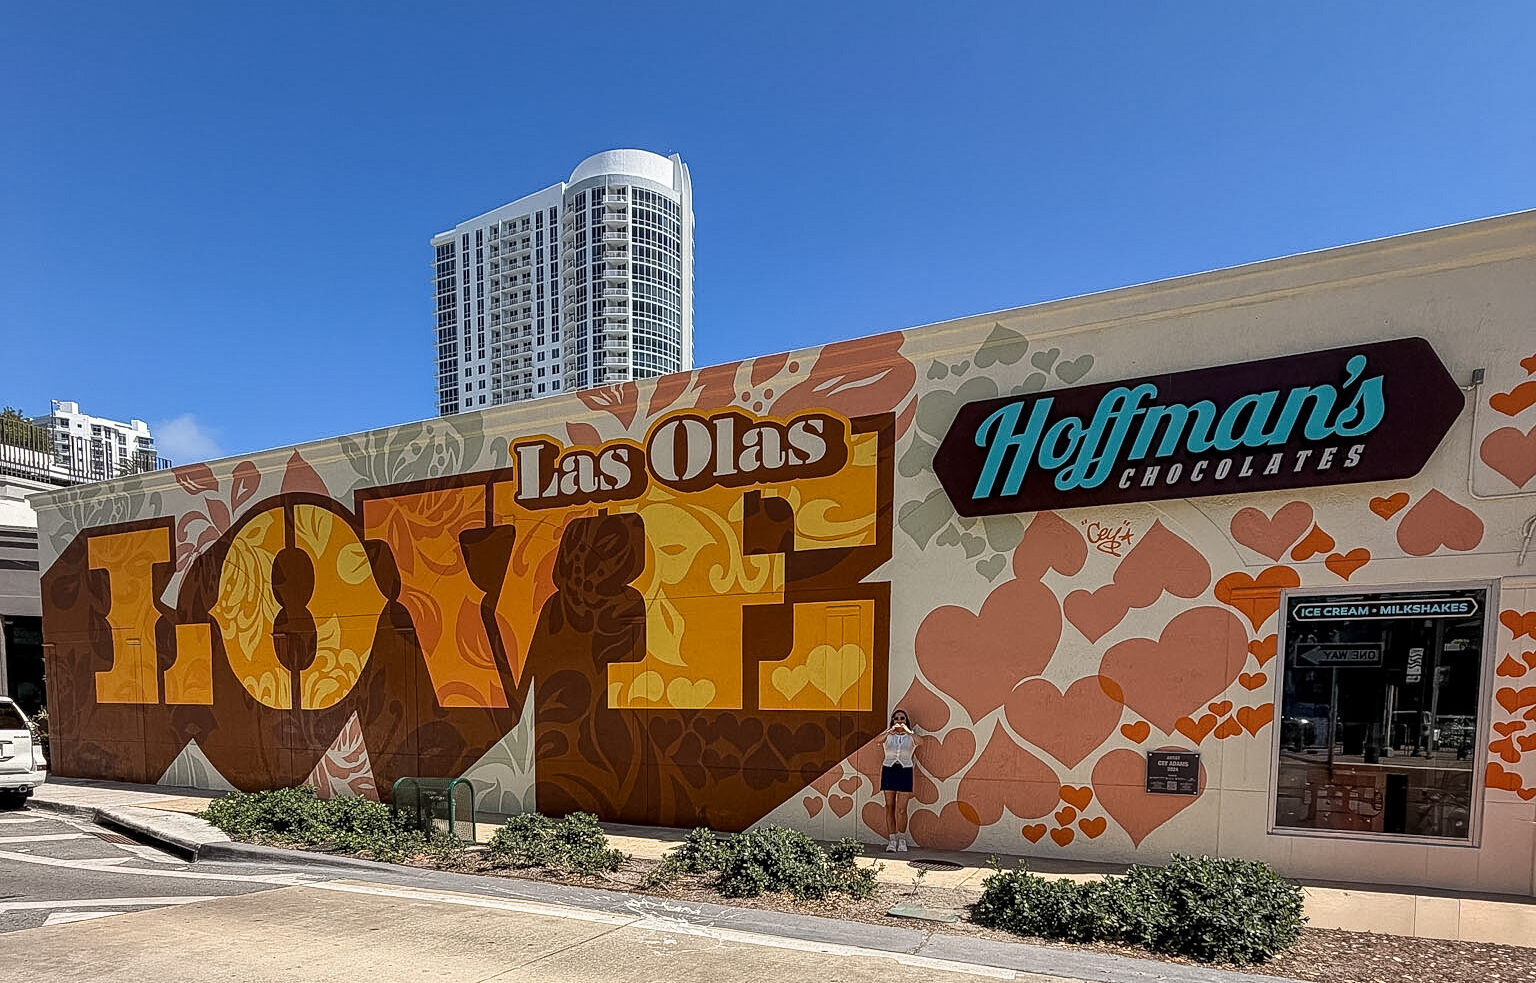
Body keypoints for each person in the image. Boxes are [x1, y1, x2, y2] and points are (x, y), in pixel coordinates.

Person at [879, 707, 926, 852]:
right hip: (889, 770)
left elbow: (921, 742)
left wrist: (908, 731)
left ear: (906, 722)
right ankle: (892, 840)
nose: (899, 721)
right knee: (890, 806)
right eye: (897, 718)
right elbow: (877, 740)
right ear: (893, 721)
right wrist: (889, 731)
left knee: (901, 809)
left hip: (905, 770)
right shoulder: (889, 736)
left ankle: (902, 839)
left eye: (902, 718)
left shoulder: (910, 736)